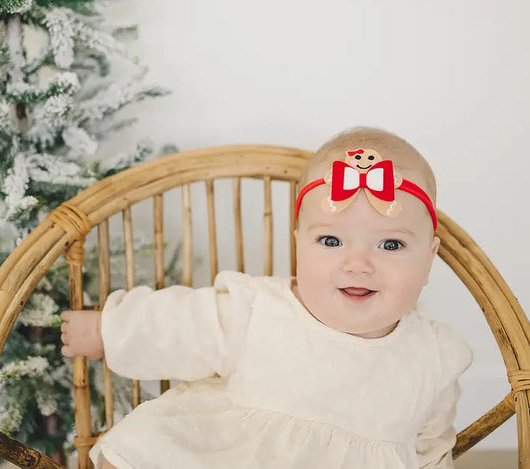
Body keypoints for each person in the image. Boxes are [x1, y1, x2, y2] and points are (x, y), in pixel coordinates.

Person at [61, 126, 472, 469]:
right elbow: (183, 325)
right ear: (298, 246)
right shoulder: (260, 309)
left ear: (429, 257)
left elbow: (432, 445)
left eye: (391, 246)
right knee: (145, 451)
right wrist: (108, 328)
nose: (358, 264)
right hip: (228, 453)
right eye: (331, 240)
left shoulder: (434, 355)